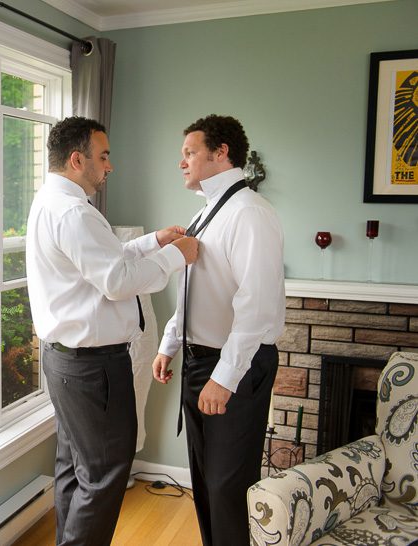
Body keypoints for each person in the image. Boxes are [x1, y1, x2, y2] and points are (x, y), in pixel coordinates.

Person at [26, 116, 199, 545]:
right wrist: (178, 256)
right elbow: (118, 282)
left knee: (75, 466)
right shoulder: (73, 213)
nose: (110, 166)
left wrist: (154, 241)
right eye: (103, 157)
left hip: (65, 361)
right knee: (105, 472)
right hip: (93, 369)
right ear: (76, 158)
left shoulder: (53, 201)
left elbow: (106, 261)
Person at [152, 115, 285, 546]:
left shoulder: (250, 214)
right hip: (198, 360)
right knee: (205, 480)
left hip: (233, 366)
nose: (182, 162)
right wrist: (169, 344)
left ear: (221, 151)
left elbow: (256, 309)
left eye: (190, 152)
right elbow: (193, 286)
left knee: (229, 485)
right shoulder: (206, 210)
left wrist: (223, 380)